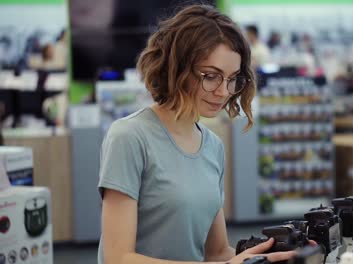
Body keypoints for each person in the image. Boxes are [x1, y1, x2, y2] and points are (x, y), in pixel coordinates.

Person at [98, 5, 310, 264]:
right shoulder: (129, 136)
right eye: (211, 76)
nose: (223, 91)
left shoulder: (212, 146)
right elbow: (117, 258)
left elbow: (217, 253)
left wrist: (274, 256)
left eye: (232, 79)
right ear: (177, 69)